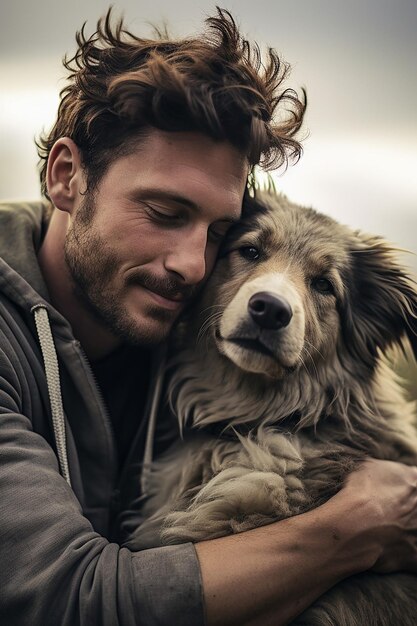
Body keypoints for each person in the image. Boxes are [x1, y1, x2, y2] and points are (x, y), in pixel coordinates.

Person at [0, 7, 416, 626]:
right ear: (66, 177)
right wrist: (348, 527)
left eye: (221, 233)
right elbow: (66, 600)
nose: (194, 266)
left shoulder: (166, 326)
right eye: (164, 212)